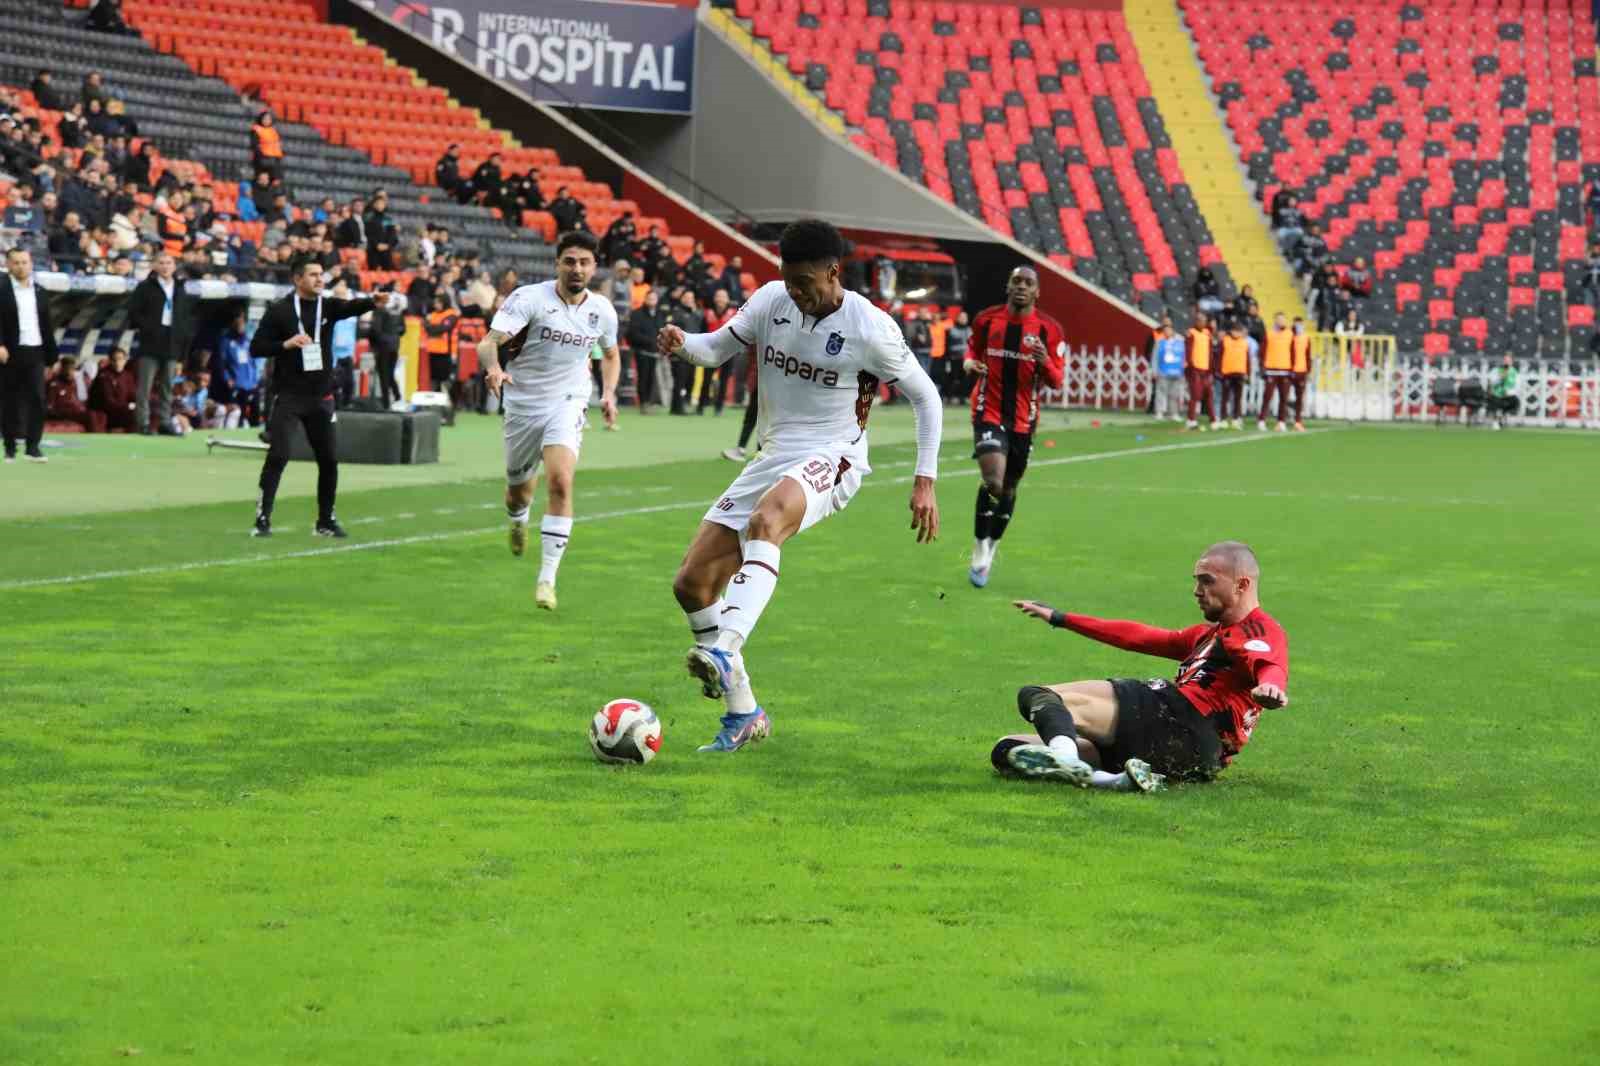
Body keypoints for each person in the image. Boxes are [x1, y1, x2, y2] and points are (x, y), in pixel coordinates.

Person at [657, 219, 943, 752]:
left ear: (833, 273)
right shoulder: (770, 300)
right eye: (788, 281)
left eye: (805, 283)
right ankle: (743, 713)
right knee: (691, 585)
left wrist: (924, 479)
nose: (795, 292)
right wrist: (682, 344)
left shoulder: (870, 327)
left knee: (767, 522)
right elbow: (715, 349)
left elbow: (927, 398)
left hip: (834, 455)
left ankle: (726, 648)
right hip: (773, 456)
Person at [993, 541, 1290, 792]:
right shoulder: (1207, 635)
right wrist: (1062, 618)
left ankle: (1067, 760)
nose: (1197, 590)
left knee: (1038, 696)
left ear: (1242, 584)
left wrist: (1271, 687)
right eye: (1197, 580)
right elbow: (1139, 637)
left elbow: (1267, 663)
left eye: (1207, 580)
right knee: (1008, 749)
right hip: (1189, 757)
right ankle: (1114, 780)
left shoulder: (1257, 630)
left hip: (1181, 722)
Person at [476, 230, 620, 611]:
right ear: (557, 263)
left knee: (560, 481)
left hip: (569, 401)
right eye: (569, 260)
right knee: (519, 491)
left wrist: (608, 392)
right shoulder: (529, 298)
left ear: (594, 266)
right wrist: (493, 369)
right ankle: (518, 518)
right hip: (523, 404)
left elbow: (610, 354)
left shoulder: (602, 309)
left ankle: (546, 579)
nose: (577, 268)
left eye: (584, 261)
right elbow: (488, 342)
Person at [250, 255, 390, 538]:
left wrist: (372, 300)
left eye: (321, 274)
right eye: (313, 274)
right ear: (297, 279)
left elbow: (351, 306)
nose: (319, 279)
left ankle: (325, 520)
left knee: (328, 460)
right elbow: (257, 347)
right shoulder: (280, 310)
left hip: (321, 397)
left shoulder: (328, 306)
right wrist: (285, 344)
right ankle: (262, 518)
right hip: (289, 396)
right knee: (279, 455)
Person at [962, 265, 1066, 588]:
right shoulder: (987, 319)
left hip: (1024, 419)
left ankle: (991, 545)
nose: (1021, 286)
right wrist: (968, 362)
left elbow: (1057, 380)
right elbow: (972, 349)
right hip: (987, 410)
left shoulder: (1050, 330)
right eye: (1016, 281)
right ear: (1008, 287)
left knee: (1008, 487)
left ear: (1037, 292)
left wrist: (1043, 359)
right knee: (993, 480)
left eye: (1028, 283)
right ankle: (979, 546)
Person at [125, 251, 194, 435]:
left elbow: (185, 321)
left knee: (167, 387)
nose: (165, 266)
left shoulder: (180, 289)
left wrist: (182, 353)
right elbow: (133, 312)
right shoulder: (146, 287)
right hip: (150, 343)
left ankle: (164, 422)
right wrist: (148, 327)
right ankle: (143, 423)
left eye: (168, 263)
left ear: (174, 266)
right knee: (145, 387)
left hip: (172, 344)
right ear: (155, 266)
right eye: (161, 263)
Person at [0, 248, 57, 462]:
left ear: (31, 264)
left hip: (36, 351)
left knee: (38, 400)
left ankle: (33, 447)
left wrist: (52, 357)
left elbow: (47, 325)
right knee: (10, 401)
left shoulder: (40, 291)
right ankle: (10, 447)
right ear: (9, 265)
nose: (21, 266)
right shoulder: (2, 289)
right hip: (10, 352)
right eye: (16, 262)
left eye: (24, 262)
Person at [625, 287, 666, 412]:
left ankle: (648, 401)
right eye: (649, 298)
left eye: (654, 298)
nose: (651, 300)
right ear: (645, 299)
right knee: (643, 377)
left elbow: (662, 330)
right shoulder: (637, 314)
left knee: (651, 378)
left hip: (655, 352)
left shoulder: (660, 314)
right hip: (641, 351)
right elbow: (632, 333)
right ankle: (643, 403)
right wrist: (650, 341)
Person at [698, 288, 736, 415]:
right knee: (706, 379)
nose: (720, 299)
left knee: (724, 380)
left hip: (728, 351)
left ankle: (718, 407)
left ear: (728, 299)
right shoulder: (707, 313)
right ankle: (701, 406)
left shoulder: (734, 313)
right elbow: (701, 332)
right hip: (710, 351)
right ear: (714, 299)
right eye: (718, 296)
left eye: (723, 296)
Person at [218, 310, 260, 425]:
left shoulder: (248, 340)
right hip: (236, 383)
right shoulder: (226, 342)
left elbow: (254, 362)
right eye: (237, 324)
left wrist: (256, 379)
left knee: (255, 412)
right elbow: (222, 363)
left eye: (242, 324)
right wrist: (227, 379)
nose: (240, 327)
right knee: (238, 414)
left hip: (251, 383)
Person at [369, 286, 405, 408]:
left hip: (383, 347)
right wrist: (393, 337)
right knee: (390, 373)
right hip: (394, 345)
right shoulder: (397, 310)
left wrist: (376, 340)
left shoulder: (379, 310)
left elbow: (375, 330)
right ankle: (397, 397)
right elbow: (403, 329)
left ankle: (386, 403)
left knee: (384, 375)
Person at [88, 346, 138, 431]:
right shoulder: (104, 376)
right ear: (110, 361)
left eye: (120, 359)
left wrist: (137, 404)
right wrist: (128, 406)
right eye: (114, 360)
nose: (117, 362)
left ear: (125, 360)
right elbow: (108, 402)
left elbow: (133, 395)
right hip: (105, 413)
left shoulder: (128, 376)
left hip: (123, 410)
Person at [1258, 312, 1293, 432]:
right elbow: (1262, 352)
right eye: (1278, 319)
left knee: (1284, 398)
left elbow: (1293, 352)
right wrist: (1262, 367)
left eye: (1282, 319)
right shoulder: (1269, 334)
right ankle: (1262, 420)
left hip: (1285, 370)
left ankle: (1281, 421)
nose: (1281, 322)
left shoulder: (1290, 335)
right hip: (1271, 370)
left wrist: (1292, 369)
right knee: (1267, 397)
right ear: (1275, 321)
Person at [423, 291, 459, 399]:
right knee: (434, 379)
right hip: (433, 351)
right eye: (435, 303)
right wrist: (432, 327)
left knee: (445, 380)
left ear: (444, 303)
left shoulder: (451, 315)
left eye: (438, 303)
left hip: (446, 352)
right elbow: (427, 327)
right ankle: (436, 402)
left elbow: (443, 328)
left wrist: (431, 327)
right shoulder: (432, 315)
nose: (435, 305)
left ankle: (449, 402)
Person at [1148, 314, 1185, 421]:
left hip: (1176, 372)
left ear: (1173, 331)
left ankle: (1173, 413)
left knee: (1174, 394)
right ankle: (1159, 412)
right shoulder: (1159, 342)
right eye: (1165, 330)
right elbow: (1154, 357)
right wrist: (1154, 370)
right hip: (1163, 371)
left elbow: (1182, 356)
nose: (1167, 332)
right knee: (1160, 393)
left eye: (1169, 330)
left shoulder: (1179, 342)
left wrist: (1182, 369)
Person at [1217, 319, 1249, 429]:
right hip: (1227, 373)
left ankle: (1236, 418)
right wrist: (1219, 371)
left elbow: (1247, 359)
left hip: (1240, 373)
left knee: (1237, 398)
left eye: (1239, 331)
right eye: (1235, 331)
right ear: (1231, 331)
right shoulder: (1224, 341)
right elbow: (1219, 357)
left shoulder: (1244, 342)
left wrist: (1247, 372)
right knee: (1224, 398)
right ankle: (1223, 418)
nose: (1237, 333)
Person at [1487, 354, 1519, 429]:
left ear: (1512, 362)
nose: (1506, 362)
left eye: (1508, 361)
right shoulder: (1496, 370)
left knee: (1515, 402)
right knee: (1494, 400)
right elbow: (1491, 383)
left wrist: (1509, 392)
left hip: (1509, 395)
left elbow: (1517, 386)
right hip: (1497, 394)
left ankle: (1502, 417)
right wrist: (1500, 378)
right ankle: (1496, 421)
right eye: (1505, 360)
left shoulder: (1515, 372)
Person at [251, 112, 284, 183]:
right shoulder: (257, 130)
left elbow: (278, 145)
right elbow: (254, 145)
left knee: (276, 180)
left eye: (269, 119)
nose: (267, 120)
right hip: (262, 159)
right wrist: (261, 157)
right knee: (262, 180)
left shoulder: (273, 130)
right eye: (265, 119)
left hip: (274, 159)